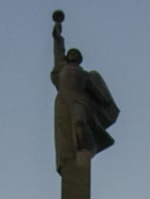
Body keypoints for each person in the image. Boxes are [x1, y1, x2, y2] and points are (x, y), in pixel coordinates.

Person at [50, 11, 119, 175]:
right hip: (63, 103)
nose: (73, 54)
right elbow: (58, 49)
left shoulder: (85, 74)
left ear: (79, 59)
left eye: (76, 53)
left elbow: (95, 91)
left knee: (81, 122)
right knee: (66, 137)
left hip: (80, 101)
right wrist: (58, 32)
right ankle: (74, 157)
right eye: (71, 53)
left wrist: (104, 101)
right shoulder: (61, 70)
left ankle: (86, 149)